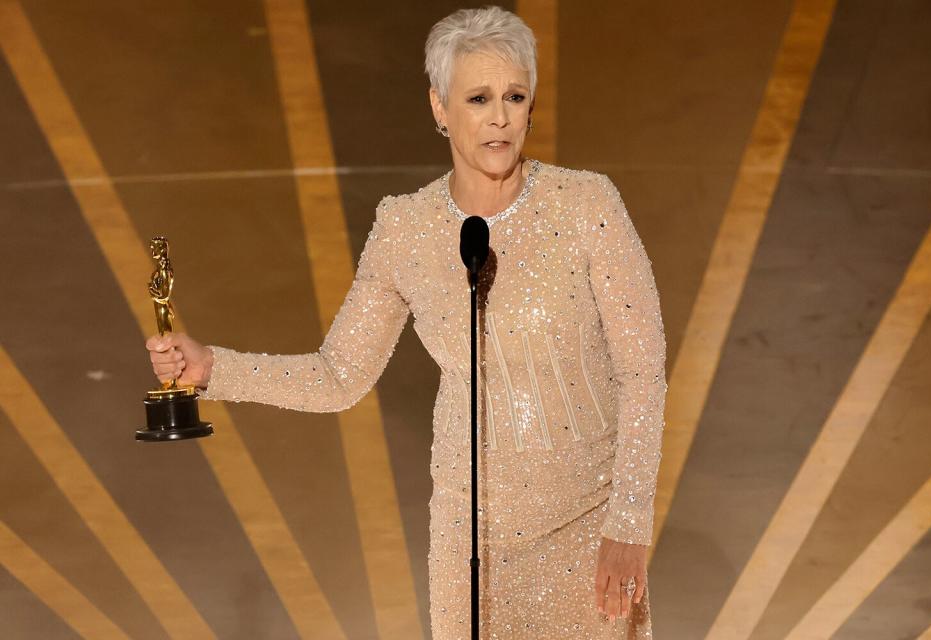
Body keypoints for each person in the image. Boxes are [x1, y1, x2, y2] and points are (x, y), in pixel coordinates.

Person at [146, 6, 666, 638]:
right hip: (467, 538)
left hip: (586, 525)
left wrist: (628, 524)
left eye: (515, 96)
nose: (500, 117)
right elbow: (339, 375)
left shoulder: (588, 205)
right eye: (478, 98)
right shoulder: (405, 228)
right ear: (439, 107)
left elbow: (642, 370)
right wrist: (213, 369)